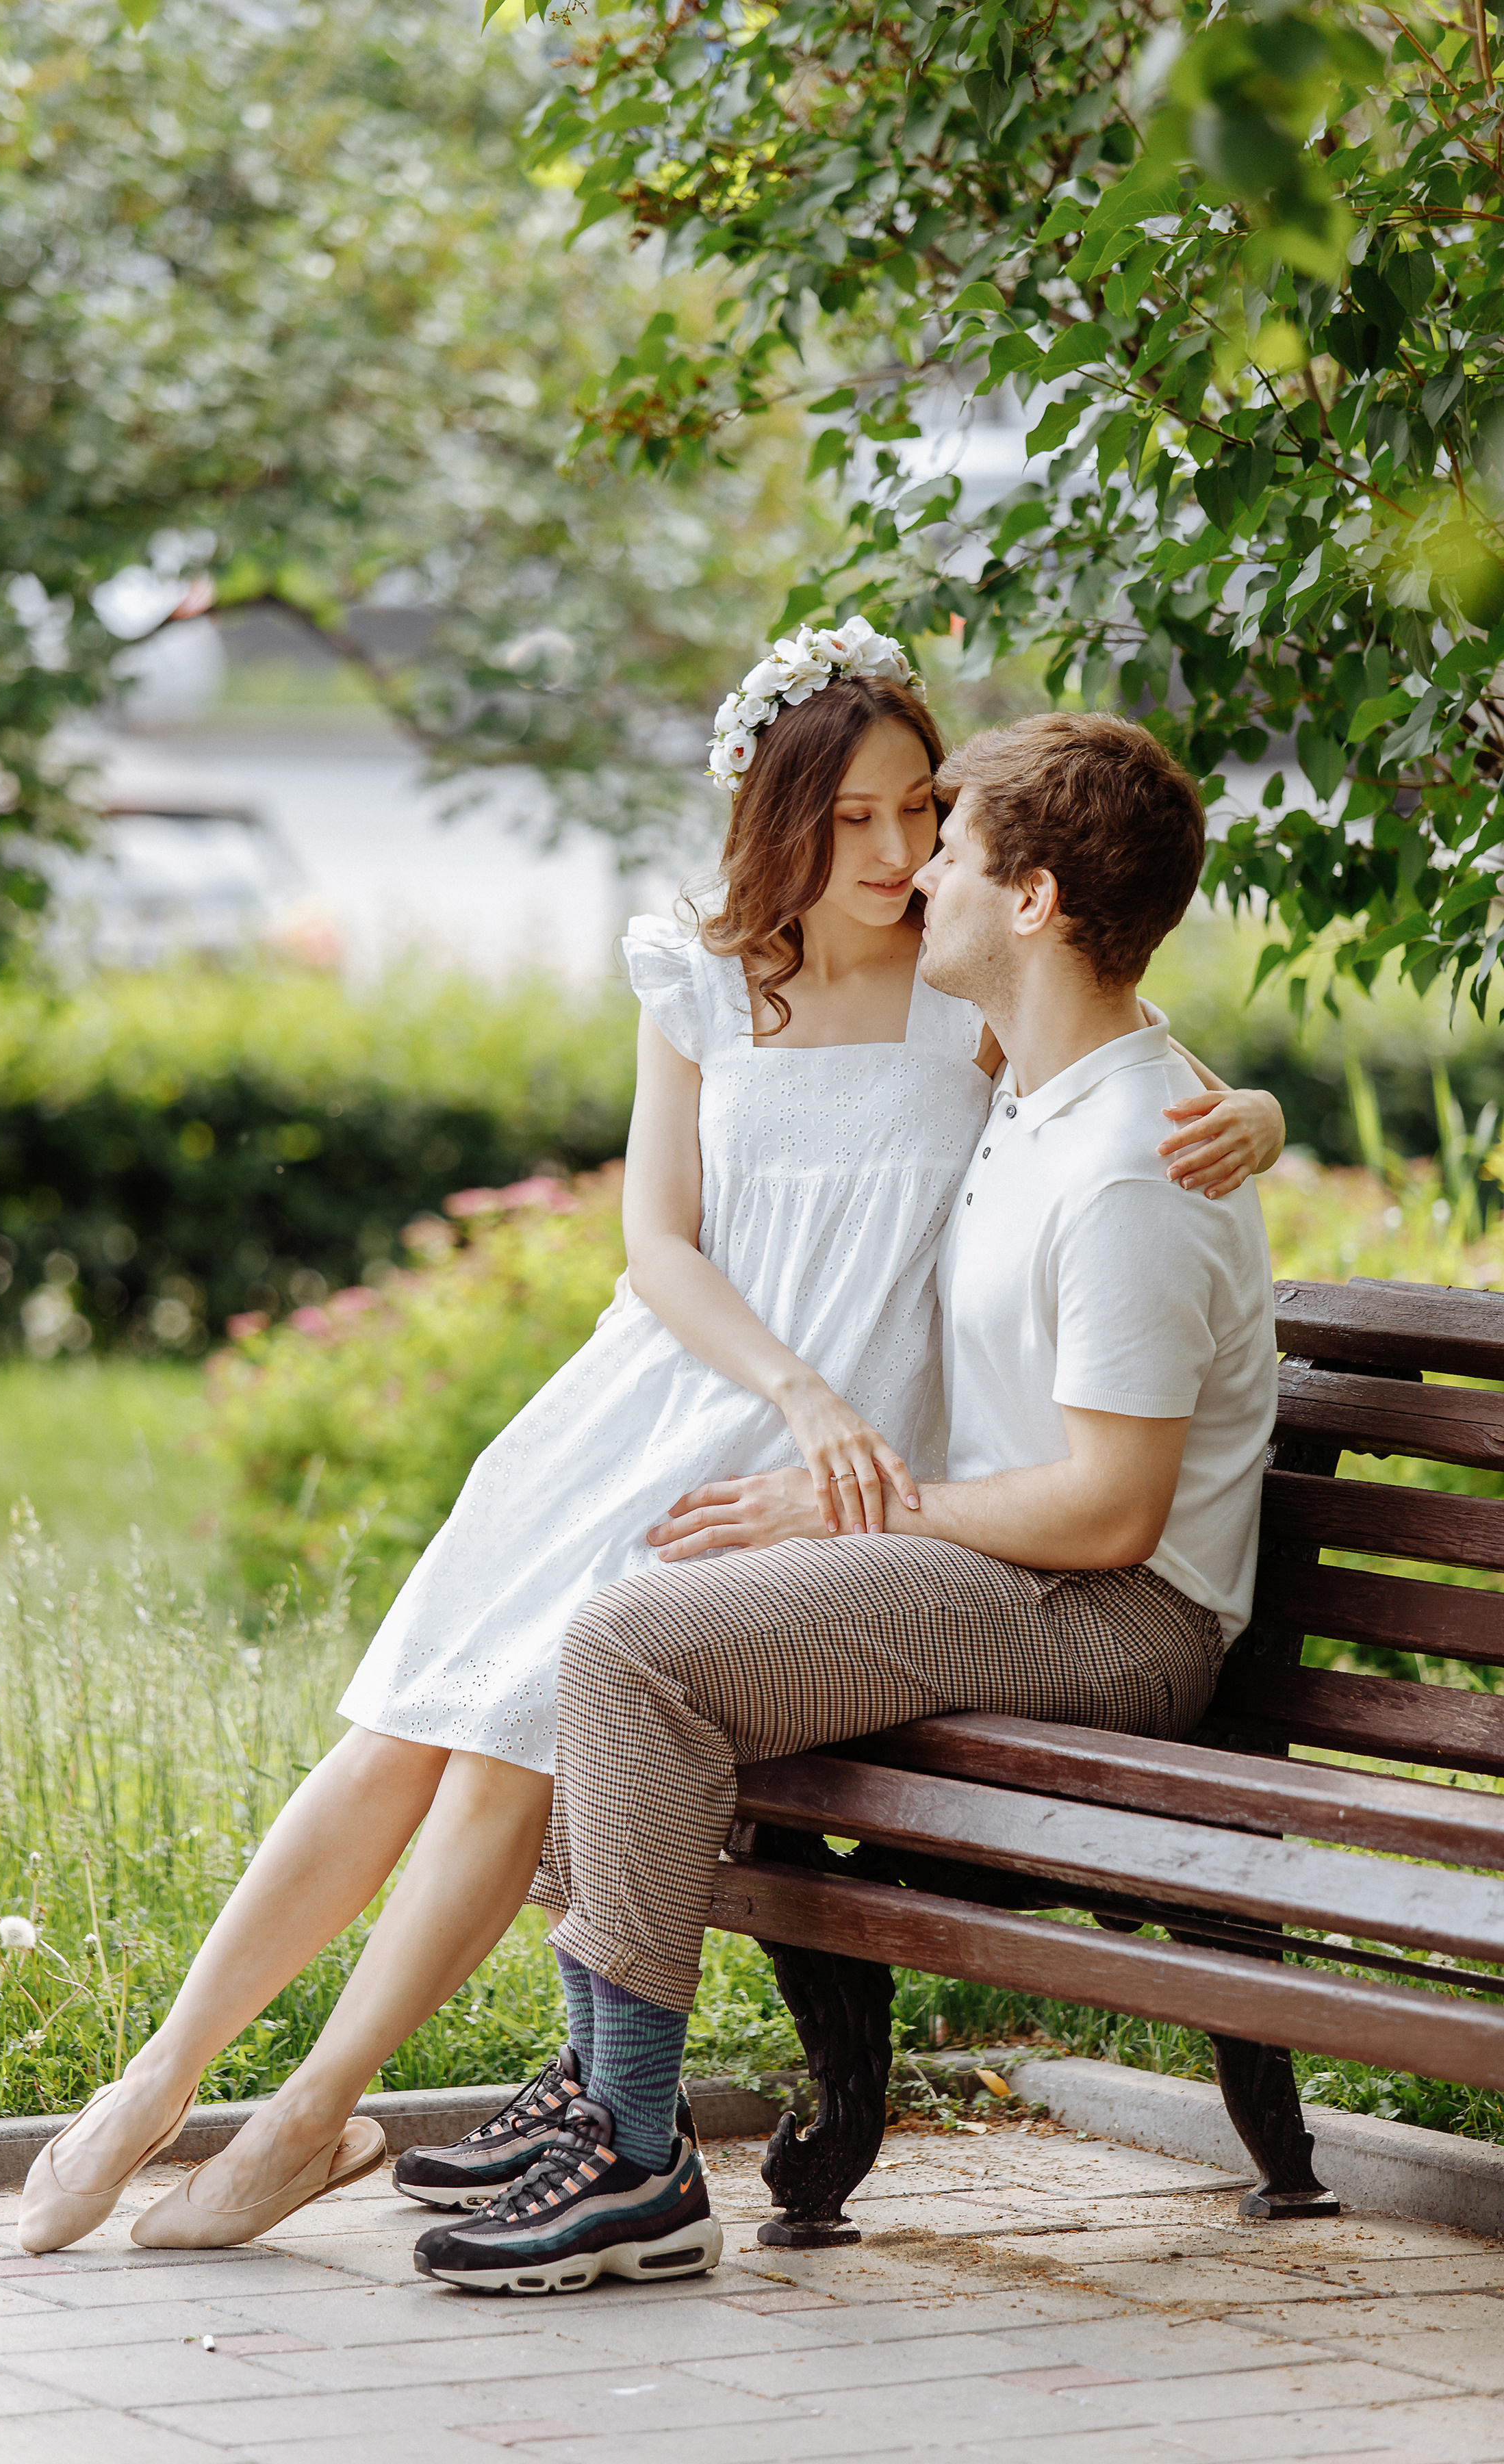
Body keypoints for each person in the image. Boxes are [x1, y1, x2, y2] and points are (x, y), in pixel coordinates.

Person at [18, 641, 1279, 2257]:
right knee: (407, 1724)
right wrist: (800, 1399)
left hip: (862, 1480)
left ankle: (322, 2113)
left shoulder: (967, 1000)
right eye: (864, 821)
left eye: (928, 817)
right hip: (679, 1407)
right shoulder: (706, 967)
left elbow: (1124, 1053)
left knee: (533, 1735)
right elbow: (661, 1240)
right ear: (784, 817)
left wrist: (1260, 1116)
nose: (903, 855)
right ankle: (152, 2087)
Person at [410, 708, 1281, 2298]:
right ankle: (617, 2116)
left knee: (635, 1651)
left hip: (1113, 1619)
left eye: (948, 845)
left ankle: (633, 2155)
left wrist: (851, 1519)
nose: (914, 873)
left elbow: (1108, 1519)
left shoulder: (1135, 1172)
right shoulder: (1047, 1083)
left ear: (1028, 903)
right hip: (1025, 1579)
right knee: (615, 1619)